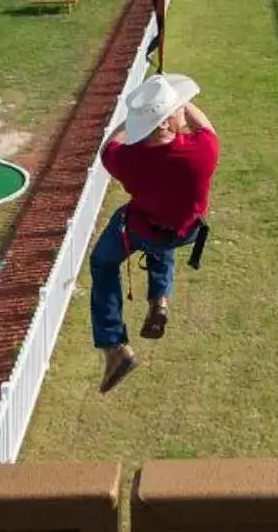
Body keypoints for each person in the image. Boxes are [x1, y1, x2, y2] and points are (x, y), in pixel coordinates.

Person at [89, 72, 219, 393]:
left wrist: (129, 122)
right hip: (185, 229)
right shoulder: (203, 150)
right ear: (168, 120)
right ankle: (159, 299)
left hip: (144, 228)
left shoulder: (127, 160)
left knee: (103, 262)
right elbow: (205, 125)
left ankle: (114, 346)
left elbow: (108, 147)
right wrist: (181, 104)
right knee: (166, 230)